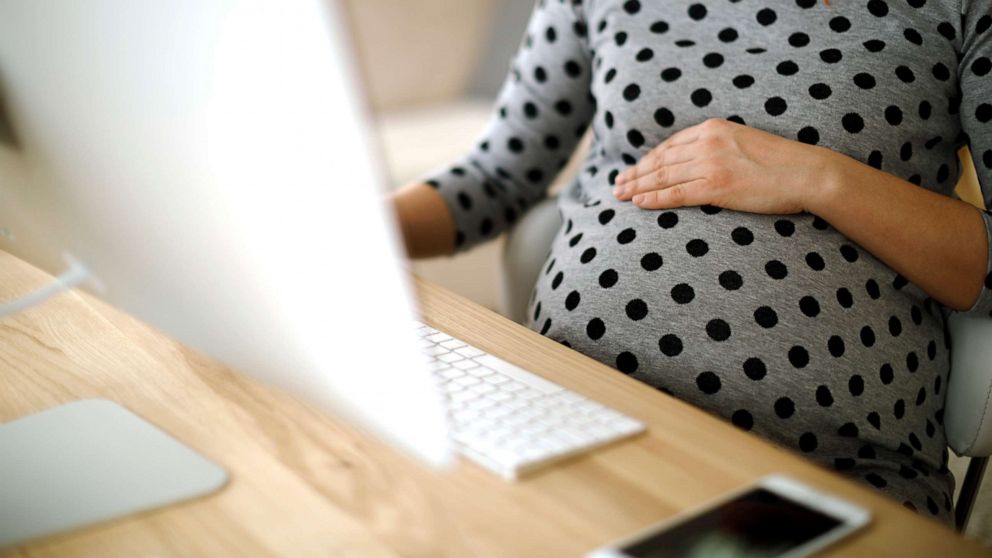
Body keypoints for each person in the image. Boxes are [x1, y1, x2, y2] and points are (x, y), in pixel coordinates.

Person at [391, 0, 992, 524]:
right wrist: (339, 230)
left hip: (819, 469)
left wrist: (818, 176)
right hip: (564, 420)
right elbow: (495, 176)